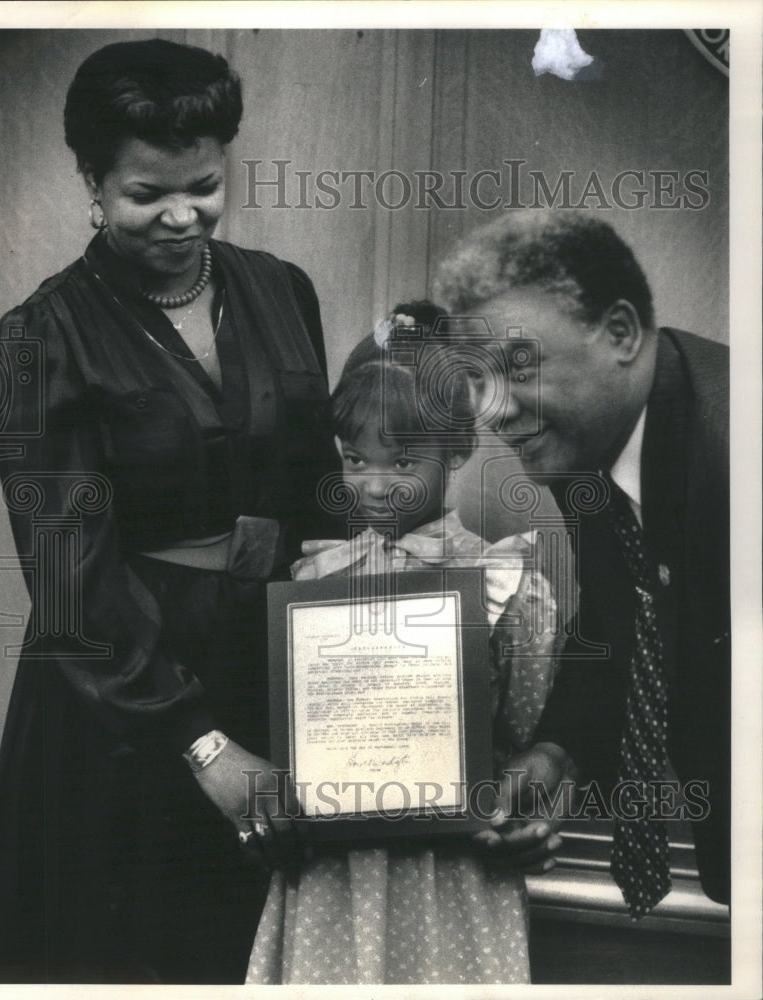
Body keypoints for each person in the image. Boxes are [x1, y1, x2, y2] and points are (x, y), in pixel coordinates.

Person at [0, 38, 337, 984]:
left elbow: (321, 495)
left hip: (264, 669)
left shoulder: (282, 289)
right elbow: (71, 577)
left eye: (206, 186)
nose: (183, 216)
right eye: (147, 194)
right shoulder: (33, 337)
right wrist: (200, 742)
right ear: (91, 179)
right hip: (119, 705)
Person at [245, 302, 566, 985]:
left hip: (452, 864)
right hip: (335, 869)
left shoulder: (504, 584)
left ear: (456, 449)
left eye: (402, 462)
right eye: (356, 461)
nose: (375, 486)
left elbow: (521, 730)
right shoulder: (315, 579)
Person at [433, 211, 730, 917]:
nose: (492, 413)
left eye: (519, 368)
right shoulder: (586, 449)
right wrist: (558, 754)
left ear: (621, 333)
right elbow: (622, 622)